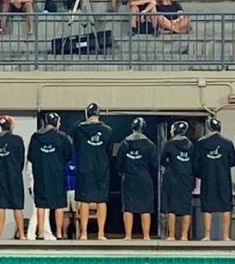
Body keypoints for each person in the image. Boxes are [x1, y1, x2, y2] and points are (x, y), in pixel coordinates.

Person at [71, 103, 114, 241]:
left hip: (84, 167)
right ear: (98, 114)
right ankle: (101, 233)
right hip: (101, 168)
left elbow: (76, 148)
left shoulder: (79, 130)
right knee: (101, 200)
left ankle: (84, 233)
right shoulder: (107, 130)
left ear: (86, 114)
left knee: (84, 200)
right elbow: (109, 151)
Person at [28, 112, 73, 241]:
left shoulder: (36, 137)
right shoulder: (63, 137)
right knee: (59, 205)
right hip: (57, 174)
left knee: (41, 205)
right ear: (57, 123)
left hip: (41, 174)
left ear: (45, 122)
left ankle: (41, 233)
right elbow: (69, 155)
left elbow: (31, 156)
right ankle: (59, 233)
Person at [195, 117, 235, 241]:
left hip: (208, 178)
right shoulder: (227, 143)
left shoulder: (201, 143)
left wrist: (200, 174)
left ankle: (207, 235)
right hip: (223, 178)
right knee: (226, 206)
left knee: (207, 206)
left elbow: (196, 163)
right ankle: (225, 235)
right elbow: (233, 161)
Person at [116, 118, 157, 241]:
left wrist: (122, 172)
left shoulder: (125, 143)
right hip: (145, 179)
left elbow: (119, 162)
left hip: (129, 178)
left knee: (128, 207)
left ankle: (128, 236)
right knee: (146, 208)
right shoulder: (150, 145)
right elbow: (154, 165)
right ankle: (146, 236)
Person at [159, 121, 196, 241]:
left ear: (174, 131)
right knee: (186, 208)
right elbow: (195, 163)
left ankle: (171, 235)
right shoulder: (191, 145)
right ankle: (184, 235)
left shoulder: (169, 145)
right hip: (187, 178)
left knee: (171, 208)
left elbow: (162, 160)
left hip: (172, 179)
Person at [0, 116, 27, 240]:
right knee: (18, 206)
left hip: (0, 176)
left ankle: (0, 235)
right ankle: (22, 234)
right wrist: (16, 169)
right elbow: (22, 159)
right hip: (15, 176)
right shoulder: (17, 140)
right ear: (11, 126)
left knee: (0, 206)